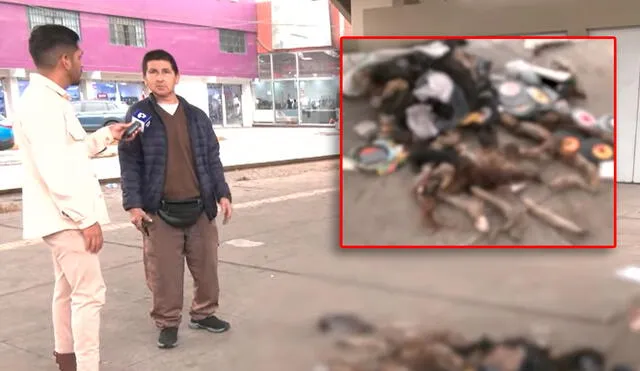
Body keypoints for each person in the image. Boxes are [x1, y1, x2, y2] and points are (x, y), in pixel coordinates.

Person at [12, 25, 139, 371]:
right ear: (65, 59)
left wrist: (106, 136)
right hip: (66, 218)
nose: (83, 63)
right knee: (89, 295)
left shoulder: (50, 100)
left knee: (67, 291)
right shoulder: (42, 105)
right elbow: (56, 170)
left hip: (60, 216)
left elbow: (71, 152)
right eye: (80, 57)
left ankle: (66, 358)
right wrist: (86, 220)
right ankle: (85, 365)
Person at [118, 49, 233, 349]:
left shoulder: (196, 116)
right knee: (164, 274)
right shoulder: (139, 115)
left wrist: (223, 193)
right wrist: (133, 203)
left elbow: (212, 159)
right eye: (152, 72)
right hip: (160, 211)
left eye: (165, 71)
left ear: (177, 76)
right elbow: (130, 161)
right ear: (144, 77)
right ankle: (168, 323)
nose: (159, 77)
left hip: (200, 207)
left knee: (207, 268)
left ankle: (203, 313)